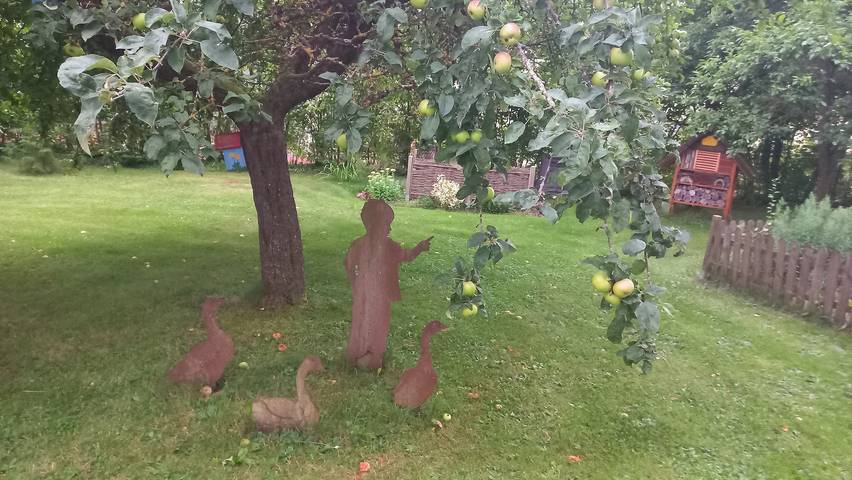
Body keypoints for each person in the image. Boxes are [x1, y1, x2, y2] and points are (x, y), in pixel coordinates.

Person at [344, 199, 432, 369]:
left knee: (364, 321)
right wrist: (420, 248)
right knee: (375, 323)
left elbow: (348, 265)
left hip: (367, 294)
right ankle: (368, 357)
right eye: (387, 224)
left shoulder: (360, 245)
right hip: (378, 296)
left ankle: (363, 355)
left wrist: (355, 283)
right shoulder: (386, 246)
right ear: (377, 225)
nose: (390, 229)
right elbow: (407, 255)